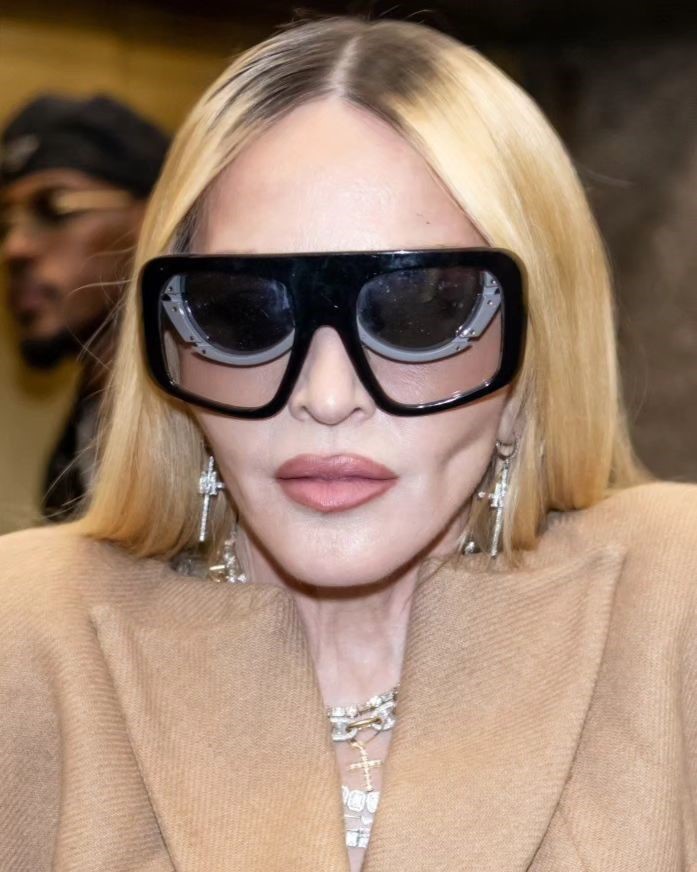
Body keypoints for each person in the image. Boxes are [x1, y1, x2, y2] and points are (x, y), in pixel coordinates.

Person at [1, 16, 696, 871]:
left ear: (533, 347)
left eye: (420, 311)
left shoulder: (673, 605)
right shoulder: (24, 636)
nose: (325, 397)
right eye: (243, 313)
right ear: (174, 346)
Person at [0, 94, 169, 519]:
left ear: (153, 217)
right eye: (4, 225)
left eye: (55, 208)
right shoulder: (84, 431)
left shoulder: (210, 424)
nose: (14, 248)